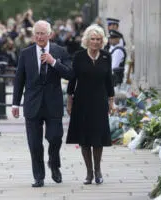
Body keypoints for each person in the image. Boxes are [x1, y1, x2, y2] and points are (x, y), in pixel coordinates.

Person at [12, 20, 74, 188]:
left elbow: (70, 74)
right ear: (33, 35)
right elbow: (19, 79)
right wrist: (15, 103)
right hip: (32, 104)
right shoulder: (25, 53)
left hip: (53, 103)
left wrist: (54, 62)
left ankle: (54, 164)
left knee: (55, 138)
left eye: (42, 33)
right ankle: (38, 176)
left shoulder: (59, 51)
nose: (39, 37)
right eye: (37, 33)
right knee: (34, 143)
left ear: (50, 35)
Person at [66, 24, 115, 185]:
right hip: (82, 101)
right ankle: (89, 172)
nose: (95, 42)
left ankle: (98, 170)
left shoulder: (107, 56)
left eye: (98, 39)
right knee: (85, 138)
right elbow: (73, 79)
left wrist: (111, 100)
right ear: (87, 40)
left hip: (100, 101)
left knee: (98, 137)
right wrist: (69, 100)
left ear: (102, 41)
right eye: (93, 39)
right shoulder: (79, 56)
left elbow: (109, 80)